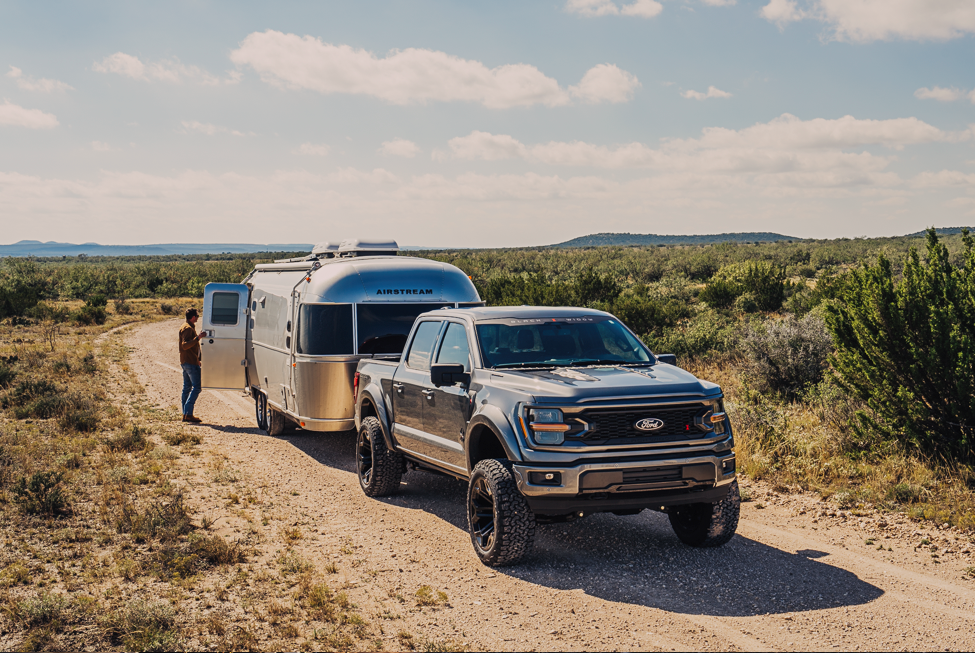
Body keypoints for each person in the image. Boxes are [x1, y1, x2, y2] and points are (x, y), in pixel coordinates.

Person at [179, 308, 205, 423]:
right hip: (190, 362)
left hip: (187, 361)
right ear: (193, 317)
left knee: (187, 388)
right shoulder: (188, 329)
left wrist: (198, 358)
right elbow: (185, 345)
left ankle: (185, 414)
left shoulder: (187, 326)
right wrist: (198, 338)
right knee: (197, 387)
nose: (198, 318)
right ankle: (188, 413)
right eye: (197, 316)